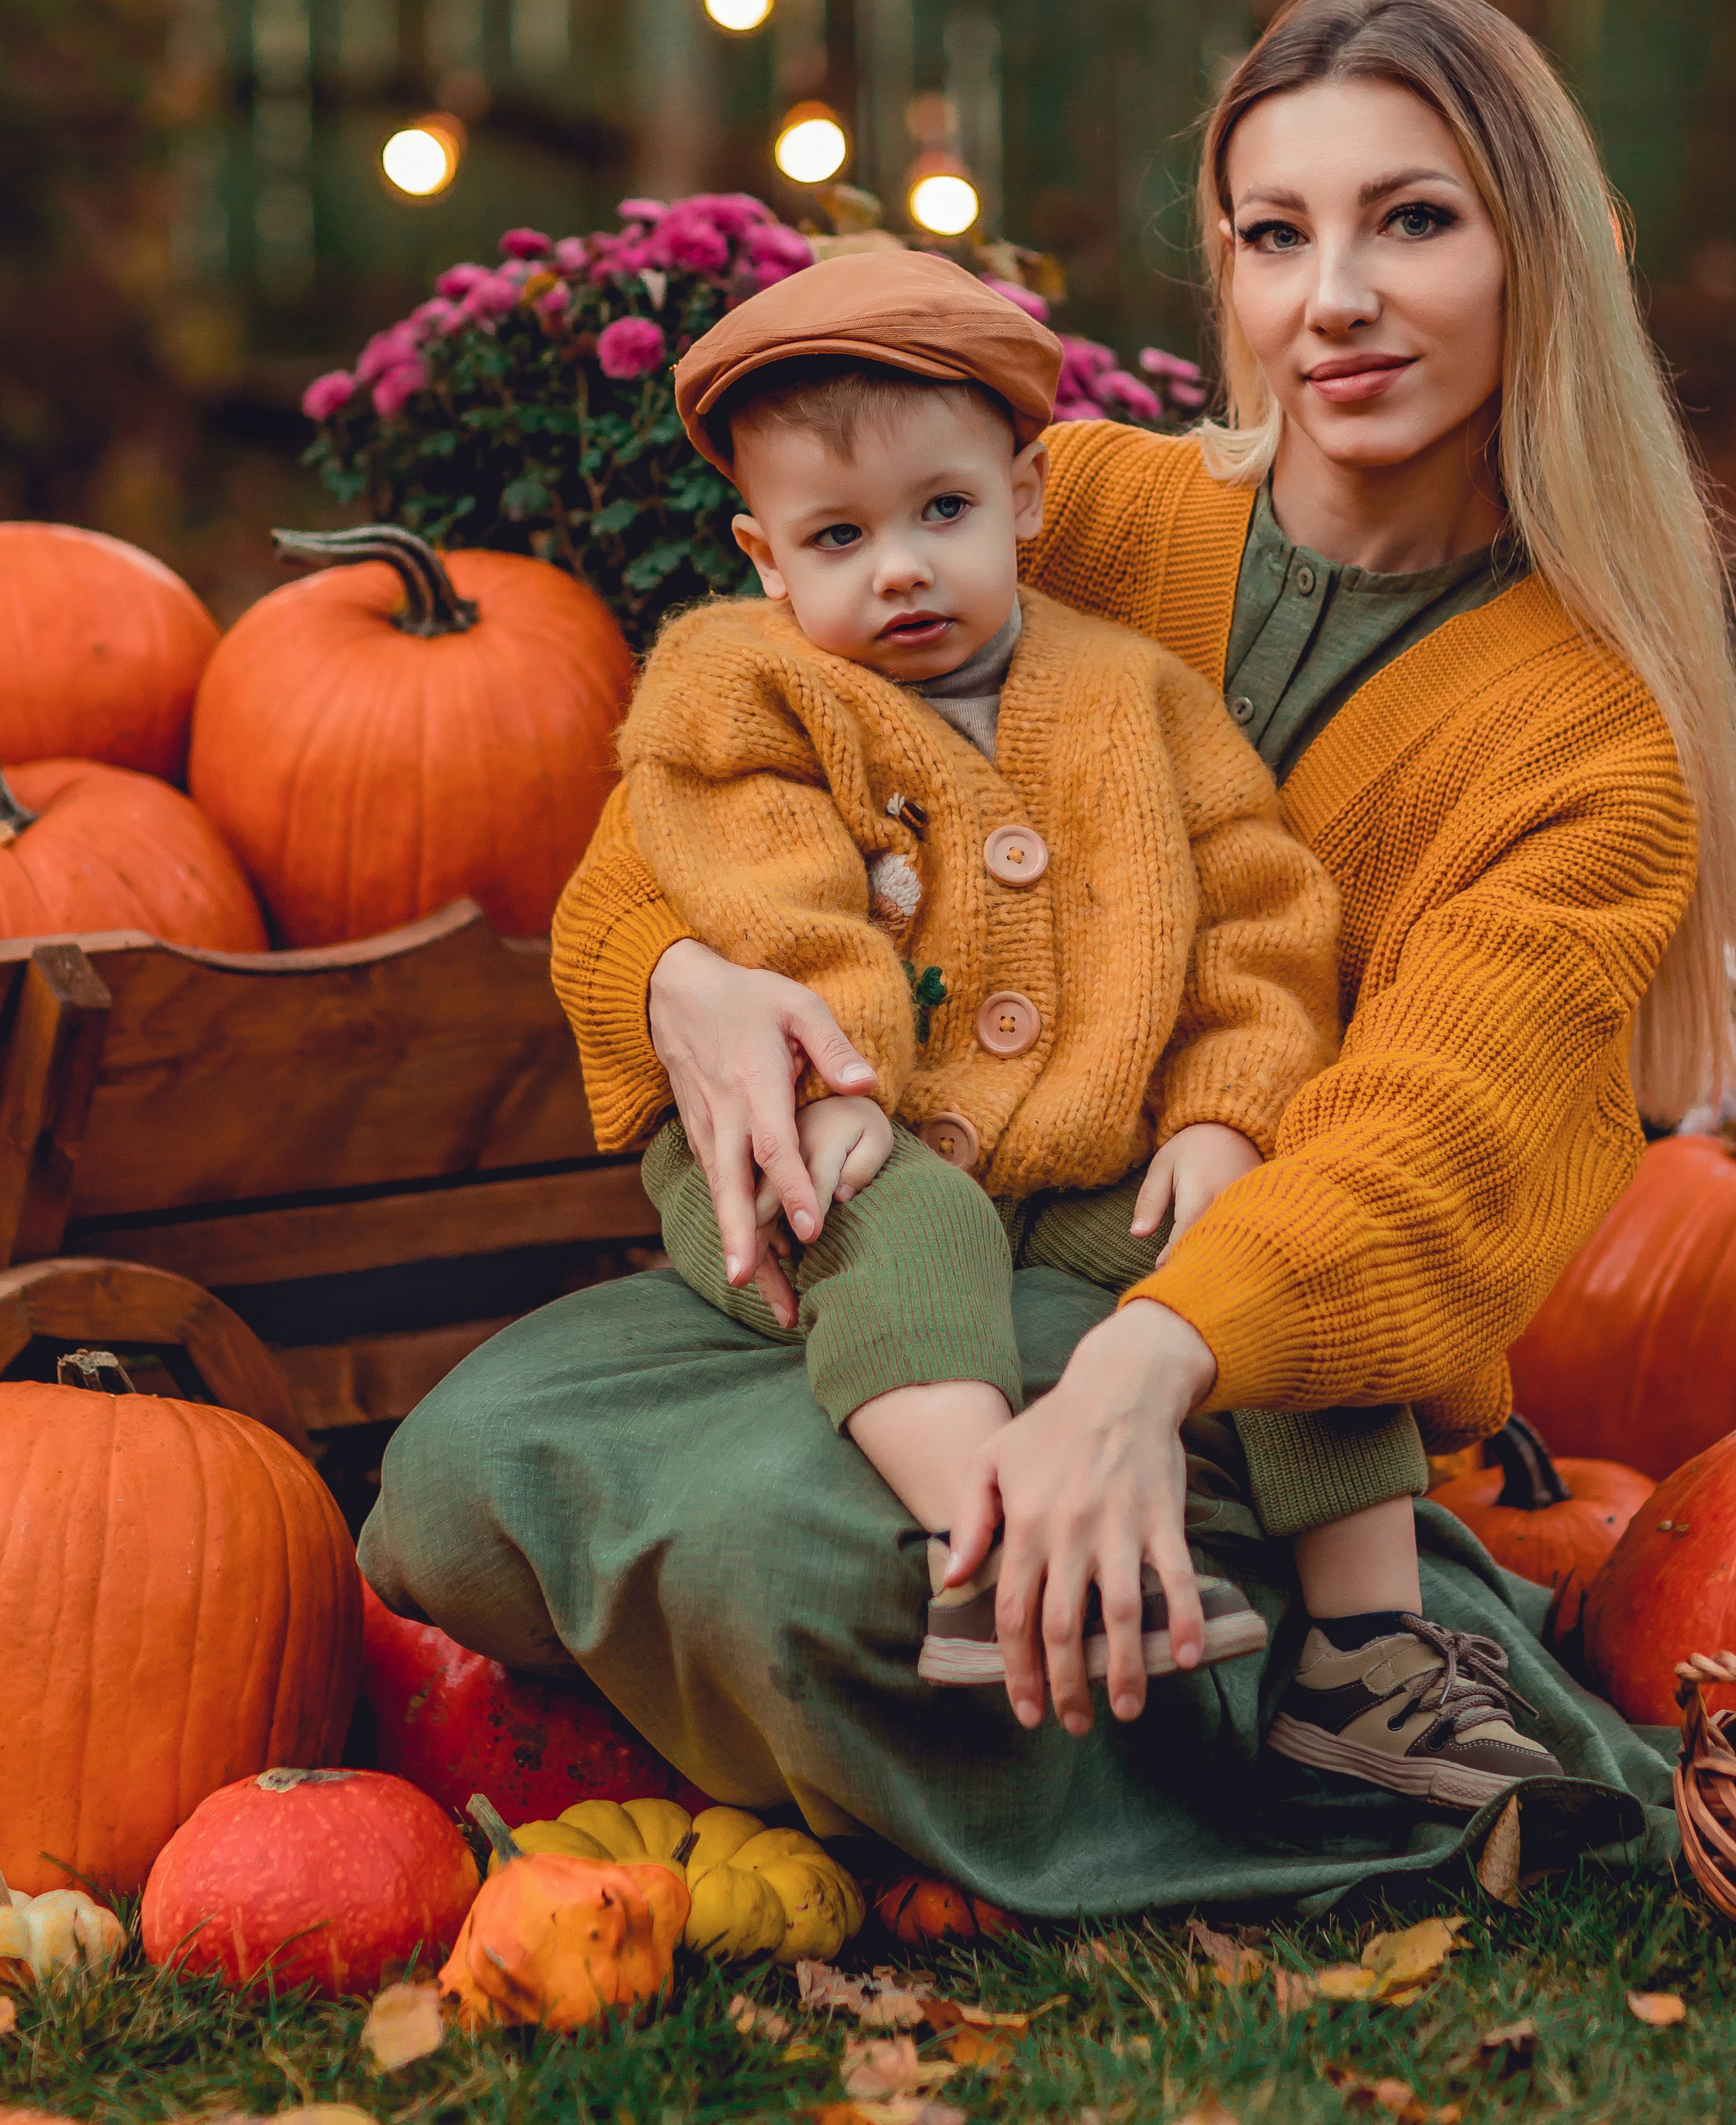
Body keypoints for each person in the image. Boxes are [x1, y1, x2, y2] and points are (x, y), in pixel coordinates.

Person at [358, 0, 1736, 1910]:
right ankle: (1265, 1667)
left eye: (1410, 221)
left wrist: (1137, 1377)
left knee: (830, 1563)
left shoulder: (1586, 742)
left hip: (1237, 1344)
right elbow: (701, 796)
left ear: (1536, 244)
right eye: (1273, 237)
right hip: (901, 1225)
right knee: (457, 1469)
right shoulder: (1080, 513)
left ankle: (1352, 1744)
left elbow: (1424, 1143)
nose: (1331, 302)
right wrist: (681, 984)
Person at [602, 255, 1556, 1798]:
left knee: (1267, 1252)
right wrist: (837, 1067)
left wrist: (1222, 1117)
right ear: (763, 560)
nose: (896, 569)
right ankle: (985, 1545)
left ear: (1026, 495)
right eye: (837, 538)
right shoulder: (743, 685)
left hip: (1081, 1160)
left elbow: (1257, 913)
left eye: (940, 514)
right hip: (825, 1122)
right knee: (884, 1216)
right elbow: (761, 891)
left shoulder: (1136, 695)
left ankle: (1367, 1652)